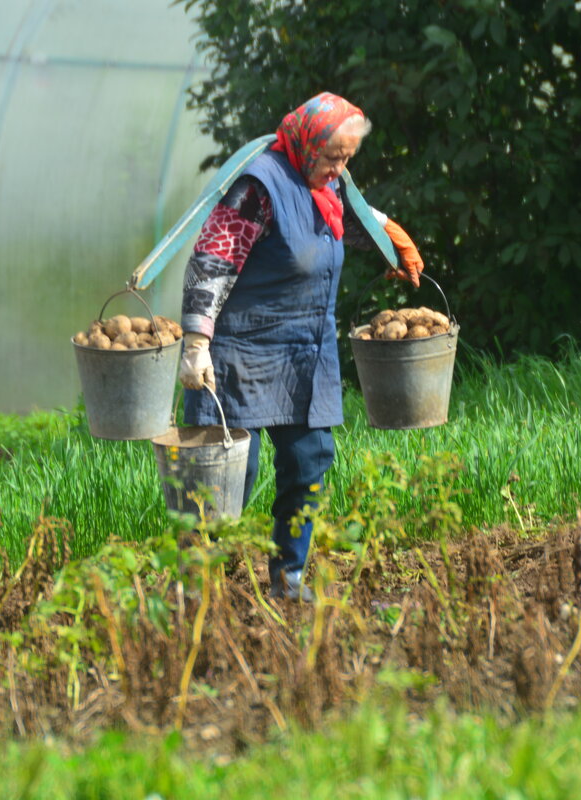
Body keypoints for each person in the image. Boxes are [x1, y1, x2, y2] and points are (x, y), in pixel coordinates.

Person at [177, 92, 424, 601]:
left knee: (310, 460)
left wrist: (388, 235)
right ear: (307, 143)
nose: (340, 168)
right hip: (240, 352)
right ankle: (198, 587)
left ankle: (288, 578)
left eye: (348, 158)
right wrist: (196, 343)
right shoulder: (258, 186)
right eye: (333, 155)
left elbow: (344, 217)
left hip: (303, 353)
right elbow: (211, 261)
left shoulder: (327, 185)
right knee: (228, 476)